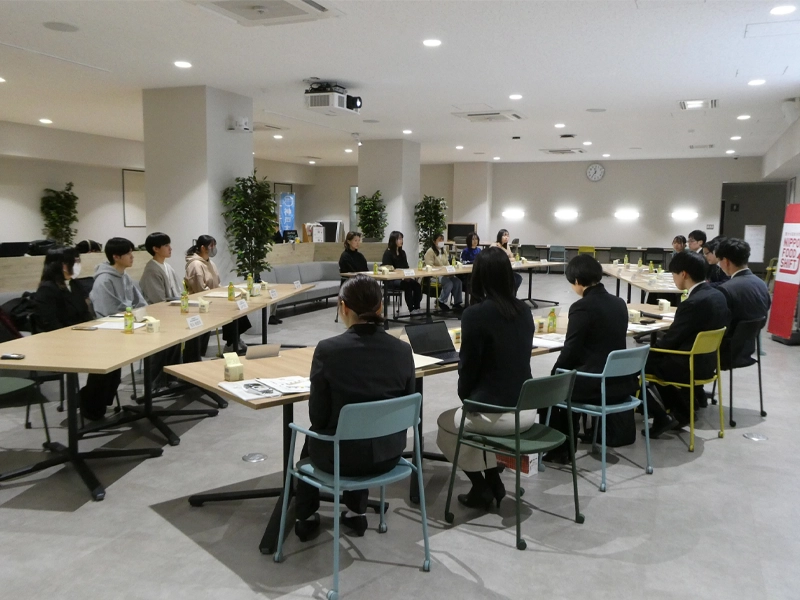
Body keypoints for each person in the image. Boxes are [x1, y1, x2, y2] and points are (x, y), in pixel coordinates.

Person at [294, 274, 415, 540]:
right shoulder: (403, 351)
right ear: (380, 307)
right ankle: (356, 512)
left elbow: (318, 417)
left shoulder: (328, 350)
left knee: (316, 437)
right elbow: (406, 410)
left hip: (341, 461)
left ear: (343, 307)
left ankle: (305, 515)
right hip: (389, 455)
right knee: (364, 427)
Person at [436, 247, 534, 510]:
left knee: (447, 425)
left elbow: (467, 370)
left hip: (498, 412)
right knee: (476, 419)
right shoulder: (524, 311)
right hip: (526, 409)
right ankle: (493, 481)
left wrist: (466, 399)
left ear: (478, 277)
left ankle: (482, 485)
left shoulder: (475, 315)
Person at [545, 254, 634, 462]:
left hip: (596, 386)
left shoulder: (581, 307)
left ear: (577, 281)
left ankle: (561, 450)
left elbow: (570, 350)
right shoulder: (619, 303)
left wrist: (554, 374)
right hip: (621, 383)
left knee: (553, 388)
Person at [644, 251, 731, 436]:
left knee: (640, 364)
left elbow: (671, 340)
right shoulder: (718, 295)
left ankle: (665, 416)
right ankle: (681, 410)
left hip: (689, 364)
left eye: (674, 274)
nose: (674, 279)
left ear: (683, 274)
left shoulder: (692, 303)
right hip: (710, 361)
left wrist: (646, 352)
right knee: (656, 358)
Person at [33, 247, 120, 421]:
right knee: (104, 359)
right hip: (59, 344)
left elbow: (85, 315)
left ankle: (95, 401)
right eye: (75, 260)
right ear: (63, 265)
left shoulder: (74, 285)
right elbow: (51, 326)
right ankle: (91, 405)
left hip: (82, 338)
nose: (78, 264)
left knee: (115, 355)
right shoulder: (47, 290)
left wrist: (95, 331)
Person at [185, 235, 251, 354]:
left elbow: (217, 283)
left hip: (214, 298)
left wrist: (224, 293)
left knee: (238, 307)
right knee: (230, 310)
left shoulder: (210, 263)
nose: (214, 248)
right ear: (203, 248)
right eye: (211, 245)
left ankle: (234, 339)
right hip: (202, 302)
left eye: (214, 245)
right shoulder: (195, 265)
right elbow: (200, 290)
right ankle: (231, 343)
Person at [715, 238, 771, 365]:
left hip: (725, 351)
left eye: (719, 261)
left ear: (726, 261)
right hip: (749, 347)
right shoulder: (761, 284)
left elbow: (718, 324)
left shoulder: (726, 289)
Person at [90, 237, 147, 317]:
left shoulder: (125, 276)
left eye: (131, 252)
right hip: (112, 321)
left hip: (129, 317)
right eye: (128, 253)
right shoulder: (104, 280)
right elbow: (108, 310)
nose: (132, 256)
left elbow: (139, 302)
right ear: (116, 257)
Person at [381, 230, 422, 315]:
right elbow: (387, 268)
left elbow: (406, 267)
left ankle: (417, 307)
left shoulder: (402, 253)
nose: (401, 241)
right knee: (407, 286)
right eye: (399, 239)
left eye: (401, 239)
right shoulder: (388, 253)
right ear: (393, 240)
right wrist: (401, 276)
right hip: (391, 280)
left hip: (403, 278)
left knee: (417, 285)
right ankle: (411, 309)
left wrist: (407, 276)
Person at [139, 232, 183, 304]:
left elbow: (178, 290)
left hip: (173, 304)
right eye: (166, 245)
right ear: (156, 249)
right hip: (159, 308)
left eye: (169, 245)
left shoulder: (168, 266)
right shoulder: (151, 270)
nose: (170, 248)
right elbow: (158, 299)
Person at [424, 233, 463, 312]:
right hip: (434, 276)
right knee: (449, 283)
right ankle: (441, 301)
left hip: (445, 274)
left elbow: (447, 263)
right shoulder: (430, 252)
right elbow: (429, 266)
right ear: (434, 241)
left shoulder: (444, 251)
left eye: (442, 239)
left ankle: (457, 303)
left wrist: (450, 271)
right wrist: (442, 272)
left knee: (458, 282)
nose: (441, 241)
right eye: (439, 240)